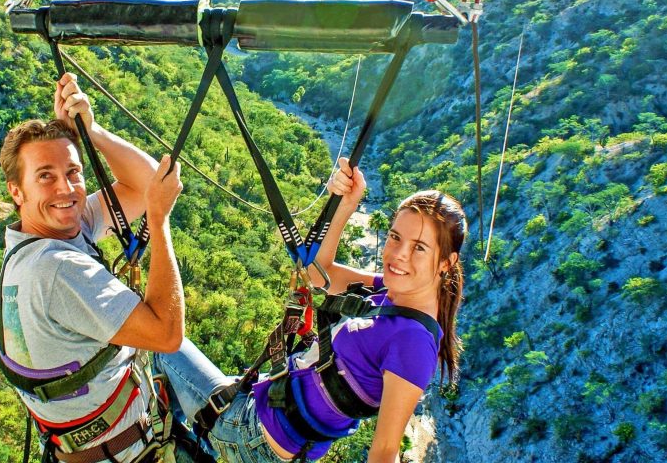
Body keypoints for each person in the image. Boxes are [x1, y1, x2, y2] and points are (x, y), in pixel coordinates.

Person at [154, 157, 467, 463]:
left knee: (160, 341)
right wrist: (346, 205)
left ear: (446, 263)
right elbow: (318, 274)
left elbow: (384, 452)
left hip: (256, 434)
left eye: (419, 247)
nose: (398, 255)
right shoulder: (389, 291)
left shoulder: (414, 341)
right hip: (267, 415)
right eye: (395, 238)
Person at [0, 72, 186, 463]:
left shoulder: (44, 233)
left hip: (102, 435)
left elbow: (146, 183)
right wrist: (158, 220)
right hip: (123, 452)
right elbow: (168, 335)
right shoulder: (55, 269)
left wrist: (91, 131)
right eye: (45, 177)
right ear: (17, 191)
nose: (65, 189)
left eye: (73, 172)